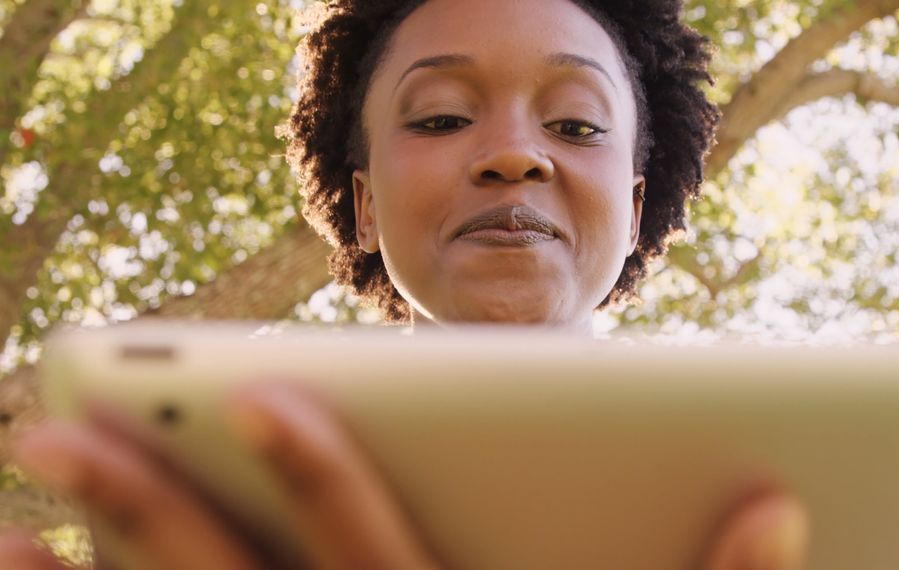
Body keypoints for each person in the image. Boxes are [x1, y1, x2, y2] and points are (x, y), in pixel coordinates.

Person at [0, 0, 809, 568]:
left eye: (575, 125)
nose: (514, 155)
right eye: (441, 118)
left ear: (634, 211)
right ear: (365, 206)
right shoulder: (227, 508)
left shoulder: (787, 486)